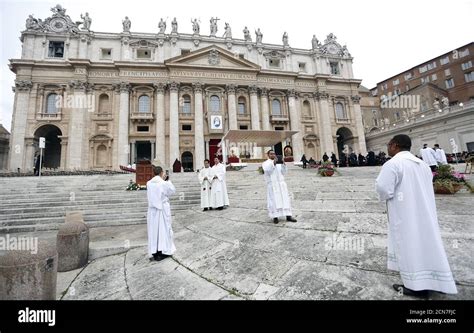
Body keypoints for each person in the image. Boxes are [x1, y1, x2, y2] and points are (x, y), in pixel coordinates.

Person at [376, 134, 457, 297]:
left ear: (395, 145)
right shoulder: (423, 164)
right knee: (427, 244)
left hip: (405, 214)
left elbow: (384, 189)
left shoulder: (393, 164)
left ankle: (415, 286)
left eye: (389, 145)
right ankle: (434, 280)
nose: (387, 148)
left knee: (409, 246)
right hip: (425, 213)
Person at [147, 165, 176, 261]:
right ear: (161, 173)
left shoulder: (149, 183)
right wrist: (167, 180)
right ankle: (162, 252)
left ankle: (154, 252)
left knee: (154, 231)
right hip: (162, 209)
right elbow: (172, 191)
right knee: (162, 230)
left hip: (152, 211)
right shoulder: (163, 183)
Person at [262, 150, 297, 224]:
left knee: (285, 199)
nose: (273, 155)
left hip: (281, 184)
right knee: (274, 201)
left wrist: (284, 164)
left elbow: (284, 172)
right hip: (273, 185)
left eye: (274, 154)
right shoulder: (265, 163)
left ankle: (288, 216)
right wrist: (273, 163)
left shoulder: (279, 163)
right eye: (271, 154)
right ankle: (275, 217)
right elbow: (267, 171)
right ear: (268, 155)